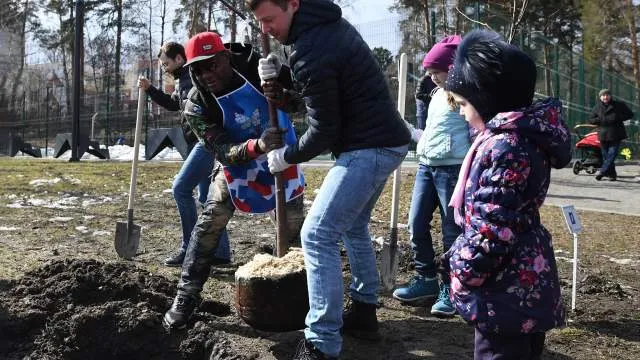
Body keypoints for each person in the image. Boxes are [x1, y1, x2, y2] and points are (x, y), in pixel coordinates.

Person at [248, 1, 411, 359]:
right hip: (382, 140)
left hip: (370, 146)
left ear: (293, 5)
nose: (265, 30)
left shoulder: (312, 48)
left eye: (270, 19)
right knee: (352, 226)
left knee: (317, 233)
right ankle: (365, 312)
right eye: (260, 23)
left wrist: (285, 157)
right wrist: (285, 93)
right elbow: (326, 98)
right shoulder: (319, 31)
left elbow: (324, 130)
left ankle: (321, 343)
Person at [162, 31, 306, 331]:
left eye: (211, 64)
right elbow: (223, 150)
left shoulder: (257, 66)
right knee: (211, 217)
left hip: (282, 153)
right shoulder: (196, 104)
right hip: (240, 163)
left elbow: (303, 102)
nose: (206, 74)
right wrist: (257, 146)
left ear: (225, 57)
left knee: (293, 225)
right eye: (197, 69)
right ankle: (186, 296)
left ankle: (302, 294)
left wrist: (281, 89)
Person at [442, 30, 569, 360]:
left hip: (504, 289)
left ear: (487, 101)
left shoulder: (505, 147)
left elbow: (492, 231)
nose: (461, 112)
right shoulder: (513, 140)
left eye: (465, 103)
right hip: (521, 283)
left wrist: (459, 269)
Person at [392, 35, 470, 317]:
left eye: (436, 70)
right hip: (427, 167)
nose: (431, 76)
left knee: (452, 232)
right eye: (429, 71)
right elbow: (432, 134)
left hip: (452, 171)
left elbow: (474, 132)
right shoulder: (436, 95)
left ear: (453, 67)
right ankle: (425, 279)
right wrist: (412, 133)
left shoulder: (466, 95)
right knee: (415, 223)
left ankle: (452, 288)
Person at [137, 42, 231, 267]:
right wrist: (150, 89)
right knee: (208, 198)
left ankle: (190, 246)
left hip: (205, 142)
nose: (164, 68)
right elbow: (173, 105)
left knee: (181, 189)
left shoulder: (194, 76)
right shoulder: (183, 80)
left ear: (180, 59)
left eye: (166, 63)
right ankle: (220, 254)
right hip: (196, 142)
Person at [588, 88, 634, 181]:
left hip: (616, 133)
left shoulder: (619, 105)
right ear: (600, 97)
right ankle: (612, 175)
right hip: (603, 134)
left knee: (612, 154)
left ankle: (602, 171)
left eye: (607, 95)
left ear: (610, 96)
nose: (605, 97)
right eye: (603, 95)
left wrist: (618, 118)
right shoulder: (597, 107)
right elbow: (591, 119)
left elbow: (630, 114)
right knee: (606, 155)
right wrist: (600, 120)